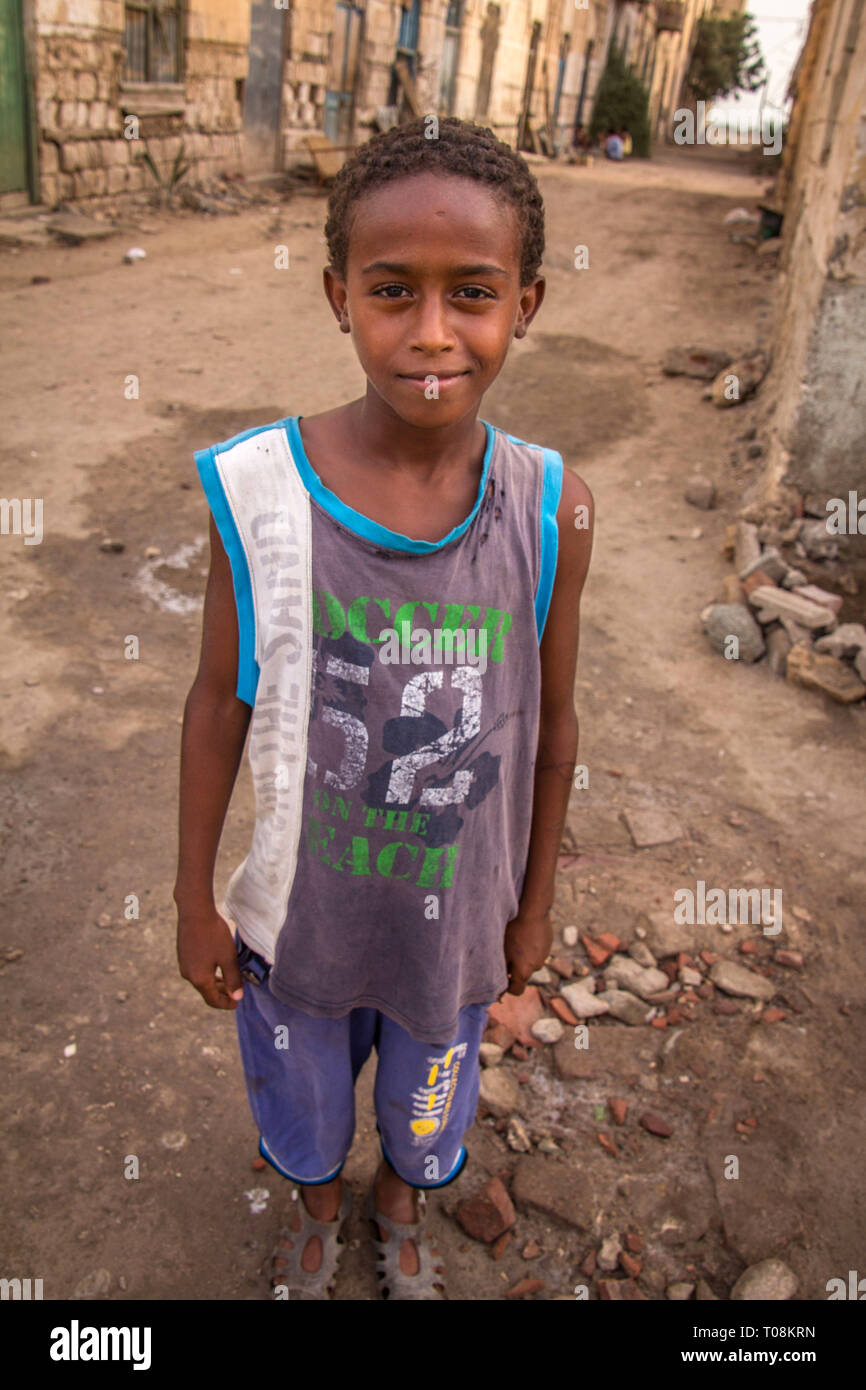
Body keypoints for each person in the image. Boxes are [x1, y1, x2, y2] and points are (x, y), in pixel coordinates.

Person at [174, 115, 594, 1300]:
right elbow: (218, 701)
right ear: (334, 294)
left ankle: (398, 1205)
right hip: (296, 922)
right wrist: (192, 899)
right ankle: (317, 1206)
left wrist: (533, 904)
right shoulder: (259, 490)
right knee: (304, 1102)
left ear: (526, 301)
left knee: (424, 1104)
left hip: (453, 929)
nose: (429, 332)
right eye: (389, 290)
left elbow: (553, 726)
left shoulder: (551, 507)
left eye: (471, 292)